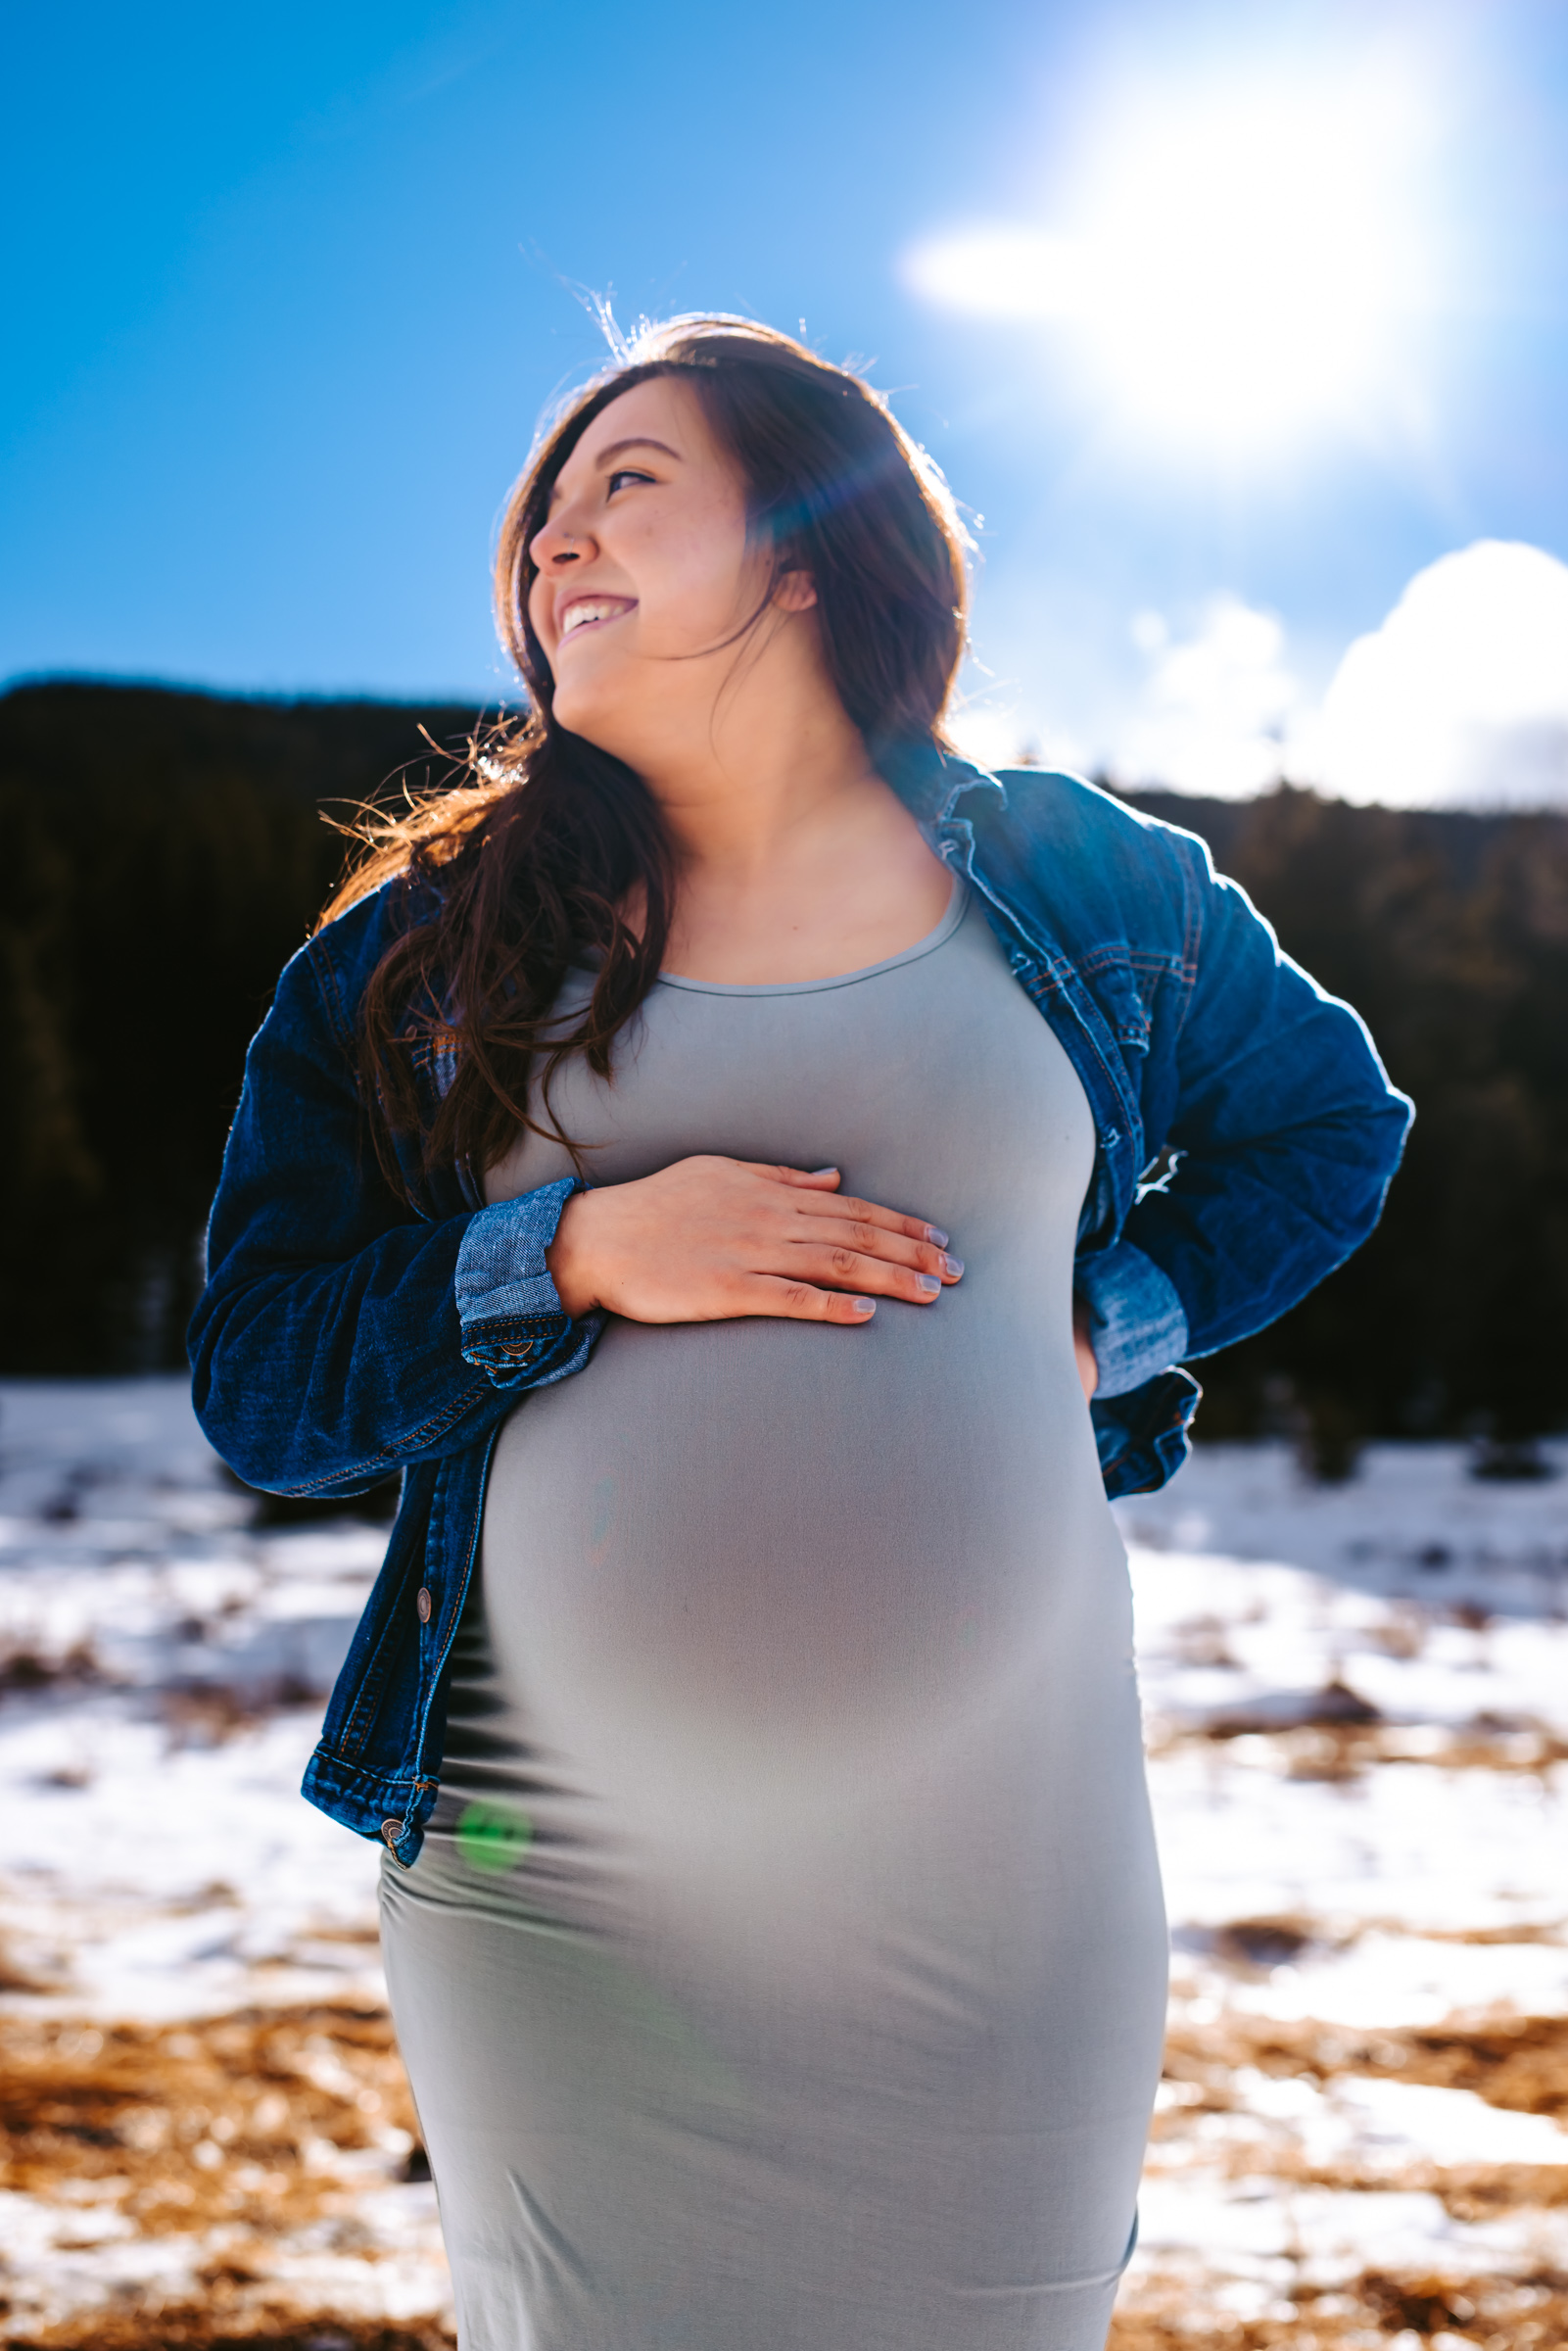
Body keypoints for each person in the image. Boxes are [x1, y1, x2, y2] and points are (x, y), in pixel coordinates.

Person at [190, 315, 1411, 2351]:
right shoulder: (412, 953)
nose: (553, 545)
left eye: (627, 487)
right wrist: (572, 1253)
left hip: (995, 1879)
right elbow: (262, 1377)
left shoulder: (1075, 879)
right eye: (540, 517)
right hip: (548, 1869)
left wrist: (1107, 1318)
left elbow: (1329, 1129)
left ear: (809, 551)